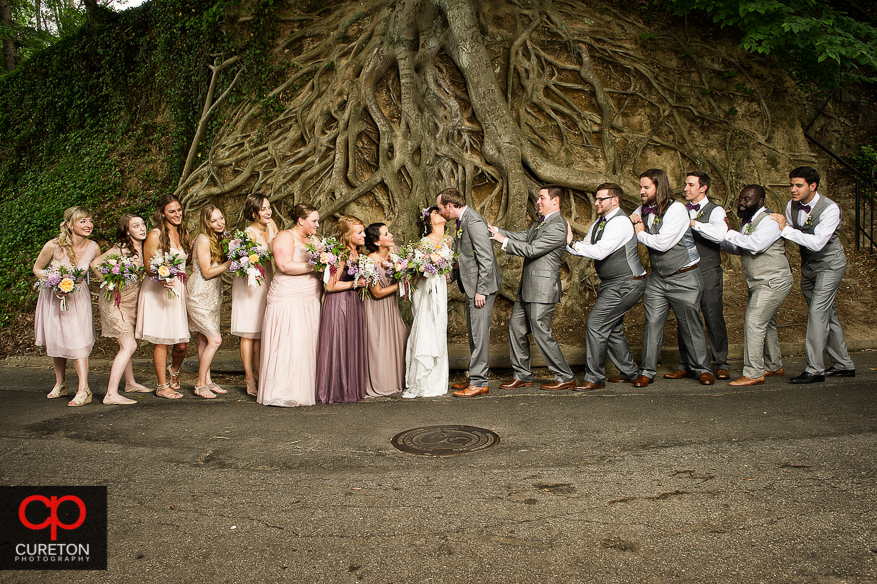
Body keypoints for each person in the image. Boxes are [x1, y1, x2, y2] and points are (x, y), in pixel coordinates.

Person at [770, 165, 855, 383]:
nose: (793, 190)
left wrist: (785, 230)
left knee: (818, 312)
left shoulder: (830, 209)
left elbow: (817, 243)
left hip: (830, 265)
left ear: (813, 186)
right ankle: (844, 364)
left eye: (799, 185)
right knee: (827, 313)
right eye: (791, 185)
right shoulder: (792, 206)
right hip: (808, 267)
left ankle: (814, 369)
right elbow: (787, 232)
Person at [631, 169, 714, 387]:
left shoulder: (677, 209)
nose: (641, 191)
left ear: (659, 187)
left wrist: (639, 231)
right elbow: (630, 224)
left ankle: (702, 369)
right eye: (641, 187)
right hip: (658, 278)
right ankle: (647, 371)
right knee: (653, 322)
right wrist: (630, 220)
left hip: (684, 276)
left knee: (690, 323)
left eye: (646, 187)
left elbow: (663, 243)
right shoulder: (642, 209)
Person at [488, 185, 575, 391]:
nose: (538, 201)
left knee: (541, 332)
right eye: (538, 198)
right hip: (527, 287)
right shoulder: (541, 223)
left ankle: (565, 375)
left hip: (543, 288)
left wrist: (503, 241)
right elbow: (525, 236)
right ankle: (523, 375)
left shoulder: (558, 226)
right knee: (515, 328)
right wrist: (496, 231)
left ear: (555, 201)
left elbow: (533, 249)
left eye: (542, 198)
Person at [565, 183, 646, 390]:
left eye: (601, 199)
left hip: (627, 283)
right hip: (611, 284)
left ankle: (594, 378)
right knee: (612, 328)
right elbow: (585, 247)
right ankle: (630, 373)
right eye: (596, 198)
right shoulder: (600, 222)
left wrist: (573, 243)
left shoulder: (619, 222)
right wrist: (566, 242)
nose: (596, 202)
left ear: (615, 200)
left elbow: (600, 252)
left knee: (596, 324)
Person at [721, 185, 792, 386]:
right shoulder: (749, 223)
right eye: (741, 198)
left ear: (760, 201)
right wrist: (723, 237)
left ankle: (753, 373)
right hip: (760, 282)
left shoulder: (769, 220)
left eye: (747, 199)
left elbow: (756, 244)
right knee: (767, 323)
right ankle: (774, 365)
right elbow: (741, 248)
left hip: (772, 281)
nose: (742, 202)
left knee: (754, 322)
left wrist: (731, 233)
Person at [664, 171, 731, 380]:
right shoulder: (678, 210)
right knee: (686, 317)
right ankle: (686, 364)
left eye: (690, 185)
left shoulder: (716, 211)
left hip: (708, 269)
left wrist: (692, 222)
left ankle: (721, 363)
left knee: (713, 315)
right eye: (685, 184)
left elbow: (720, 235)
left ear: (703, 188)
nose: (685, 188)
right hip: (684, 271)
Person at [437, 188, 501, 398]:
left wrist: (481, 290)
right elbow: (467, 258)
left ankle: (479, 381)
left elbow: (486, 258)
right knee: (474, 333)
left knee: (479, 334)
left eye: (440, 208)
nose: (439, 212)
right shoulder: (462, 221)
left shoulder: (473, 221)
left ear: (449, 206)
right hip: (472, 286)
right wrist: (453, 275)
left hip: (480, 289)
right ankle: (476, 375)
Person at [33, 206, 100, 406]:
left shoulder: (93, 247)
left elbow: (99, 271)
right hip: (54, 297)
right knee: (57, 339)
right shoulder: (53, 245)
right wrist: (54, 281)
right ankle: (61, 384)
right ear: (70, 225)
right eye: (83, 221)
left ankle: (83, 389)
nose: (88, 225)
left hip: (78, 298)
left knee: (78, 341)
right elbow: (37, 269)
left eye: (90, 220)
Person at [258, 204, 322, 407]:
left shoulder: (315, 239)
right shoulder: (285, 235)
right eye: (314, 221)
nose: (317, 225)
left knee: (306, 341)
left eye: (318, 221)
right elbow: (283, 265)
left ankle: (304, 389)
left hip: (310, 295)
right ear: (300, 220)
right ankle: (282, 390)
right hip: (288, 295)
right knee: (289, 340)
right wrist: (315, 266)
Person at [91, 213, 151, 405]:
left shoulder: (143, 247)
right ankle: (110, 394)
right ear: (127, 231)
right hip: (114, 302)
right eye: (136, 226)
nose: (142, 228)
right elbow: (95, 264)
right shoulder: (121, 249)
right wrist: (109, 281)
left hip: (131, 302)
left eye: (143, 224)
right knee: (129, 345)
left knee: (126, 344)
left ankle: (130, 382)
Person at [136, 193, 190, 399]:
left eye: (179, 210)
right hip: (159, 290)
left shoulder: (182, 232)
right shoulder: (155, 235)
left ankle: (174, 370)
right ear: (162, 214)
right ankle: (161, 386)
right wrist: (162, 274)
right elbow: (148, 266)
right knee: (162, 340)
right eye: (171, 211)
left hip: (177, 290)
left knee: (182, 344)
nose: (177, 214)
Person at [314, 215, 368, 404]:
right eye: (359, 232)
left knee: (351, 342)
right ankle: (336, 389)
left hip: (354, 302)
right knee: (339, 341)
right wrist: (355, 284)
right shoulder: (341, 254)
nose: (364, 235)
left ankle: (350, 387)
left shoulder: (358, 252)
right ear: (347, 235)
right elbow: (330, 286)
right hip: (339, 303)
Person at [230, 194, 278, 396]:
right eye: (263, 209)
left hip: (267, 280)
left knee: (261, 332)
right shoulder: (247, 234)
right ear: (253, 212)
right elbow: (240, 261)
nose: (268, 212)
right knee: (249, 333)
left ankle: (260, 374)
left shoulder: (272, 225)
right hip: (250, 285)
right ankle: (249, 377)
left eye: (269, 208)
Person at [403, 207, 451, 398]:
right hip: (428, 289)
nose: (441, 214)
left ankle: (437, 381)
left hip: (441, 288)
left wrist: (446, 270)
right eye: (435, 212)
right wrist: (430, 267)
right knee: (427, 324)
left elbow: (451, 263)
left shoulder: (448, 240)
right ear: (429, 220)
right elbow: (418, 270)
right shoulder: (425, 242)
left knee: (439, 325)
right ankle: (422, 380)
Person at [187, 205, 233, 398]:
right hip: (199, 294)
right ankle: (199, 385)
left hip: (213, 295)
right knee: (215, 340)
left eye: (221, 218)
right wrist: (230, 263)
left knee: (204, 339)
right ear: (206, 223)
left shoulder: (216, 238)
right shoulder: (204, 239)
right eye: (213, 220)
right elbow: (206, 272)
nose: (219, 223)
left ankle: (207, 380)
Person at [363, 223, 409, 397]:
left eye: (389, 232)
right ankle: (381, 382)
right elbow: (376, 293)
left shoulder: (395, 253)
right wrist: (401, 285)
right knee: (379, 345)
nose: (390, 235)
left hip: (392, 307)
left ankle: (397, 380)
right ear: (376, 242)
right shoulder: (370, 261)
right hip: (376, 309)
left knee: (400, 338)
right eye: (385, 234)